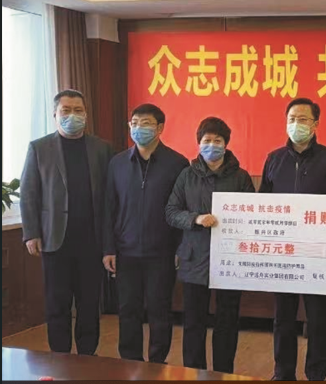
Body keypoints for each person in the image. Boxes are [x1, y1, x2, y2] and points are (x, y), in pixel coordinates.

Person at [259, 98, 326, 381]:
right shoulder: (274, 159)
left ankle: (316, 373)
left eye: (303, 119)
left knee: (318, 318)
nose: (296, 124)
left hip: (316, 253)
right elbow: (262, 204)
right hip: (283, 253)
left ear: (315, 124)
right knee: (283, 318)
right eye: (292, 118)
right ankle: (283, 372)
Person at [20, 89, 114, 355]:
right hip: (54, 240)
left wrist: (109, 242)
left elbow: (110, 196)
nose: (73, 115)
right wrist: (31, 233)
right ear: (55, 115)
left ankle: (87, 357)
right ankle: (60, 358)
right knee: (57, 304)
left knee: (89, 304)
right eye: (66, 110)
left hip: (91, 241)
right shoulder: (39, 148)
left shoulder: (102, 148)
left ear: (86, 114)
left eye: (78, 110)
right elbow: (29, 192)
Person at [165, 117, 255, 373]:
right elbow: (171, 212)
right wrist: (195, 219)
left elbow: (252, 214)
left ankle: (223, 372)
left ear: (226, 144)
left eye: (218, 140)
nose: (212, 145)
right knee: (194, 322)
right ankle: (194, 372)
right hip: (195, 258)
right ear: (198, 143)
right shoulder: (186, 176)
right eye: (207, 140)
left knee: (227, 321)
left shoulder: (241, 177)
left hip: (230, 260)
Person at [102, 104, 189, 363]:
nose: (139, 127)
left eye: (146, 123)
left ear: (160, 128)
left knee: (159, 310)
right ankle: (130, 362)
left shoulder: (177, 163)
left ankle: (157, 362)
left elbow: (183, 209)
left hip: (162, 252)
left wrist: (180, 247)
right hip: (125, 251)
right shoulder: (117, 163)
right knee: (128, 309)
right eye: (135, 122)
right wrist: (108, 248)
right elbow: (109, 208)